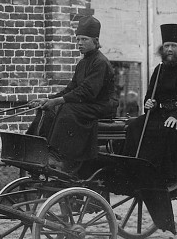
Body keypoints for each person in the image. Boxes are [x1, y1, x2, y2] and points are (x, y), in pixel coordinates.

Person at [28, 15, 119, 173]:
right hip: (88, 104)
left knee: (67, 108)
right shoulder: (82, 63)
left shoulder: (100, 62)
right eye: (78, 39)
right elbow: (71, 88)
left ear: (96, 41)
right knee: (48, 109)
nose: (79, 43)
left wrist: (58, 101)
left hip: (101, 106)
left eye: (84, 39)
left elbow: (88, 92)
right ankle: (39, 147)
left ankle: (59, 155)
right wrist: (47, 100)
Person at [124, 23, 177, 173]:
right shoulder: (160, 69)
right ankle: (133, 170)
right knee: (134, 126)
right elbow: (151, 95)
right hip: (163, 115)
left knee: (166, 130)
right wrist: (151, 104)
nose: (169, 49)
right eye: (166, 45)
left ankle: (163, 175)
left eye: (173, 46)